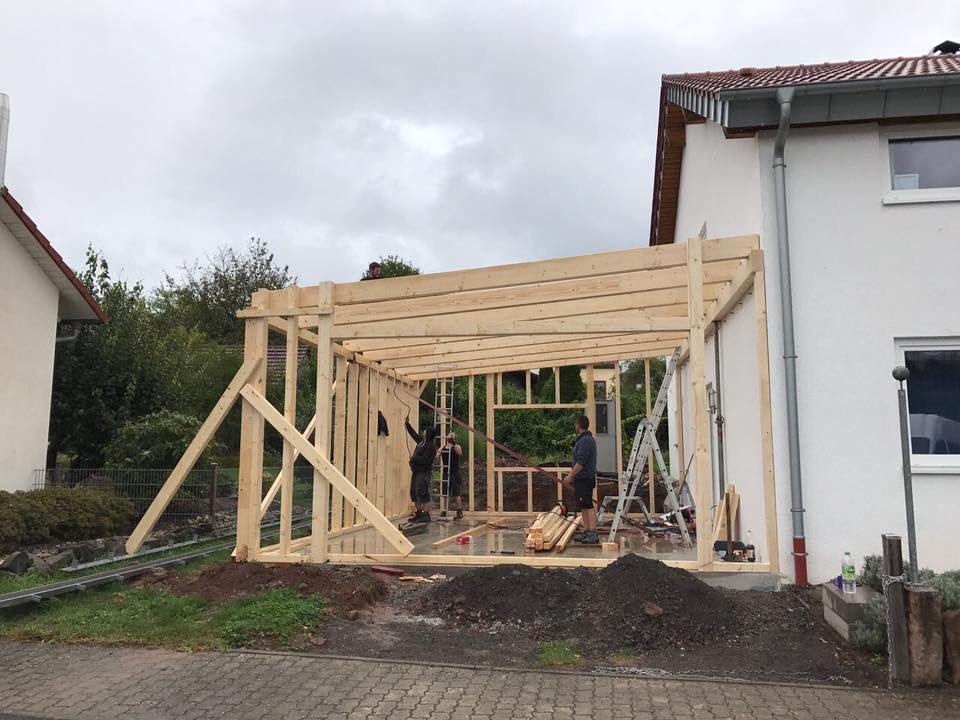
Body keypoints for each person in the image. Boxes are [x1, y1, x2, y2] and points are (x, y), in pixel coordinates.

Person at [558, 415, 598, 544]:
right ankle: (586, 531)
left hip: (584, 477)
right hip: (582, 478)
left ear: (578, 426)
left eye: (576, 425)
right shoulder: (584, 440)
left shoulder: (585, 441)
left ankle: (592, 532)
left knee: (588, 504)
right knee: (583, 504)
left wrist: (570, 476)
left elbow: (581, 462)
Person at [404, 416, 437, 524]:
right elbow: (413, 434)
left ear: (428, 434)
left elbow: (425, 460)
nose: (423, 432)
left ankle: (426, 515)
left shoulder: (430, 446)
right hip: (416, 472)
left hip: (424, 473)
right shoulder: (422, 441)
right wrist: (407, 425)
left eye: (425, 431)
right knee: (413, 492)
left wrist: (414, 458)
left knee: (422, 493)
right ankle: (419, 513)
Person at [439, 432, 463, 520]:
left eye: (452, 436)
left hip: (454, 472)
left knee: (456, 493)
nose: (449, 437)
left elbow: (460, 453)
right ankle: (445, 510)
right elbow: (437, 456)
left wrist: (454, 444)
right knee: (445, 493)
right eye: (449, 435)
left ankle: (459, 511)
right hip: (446, 472)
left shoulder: (456, 446)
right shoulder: (443, 447)